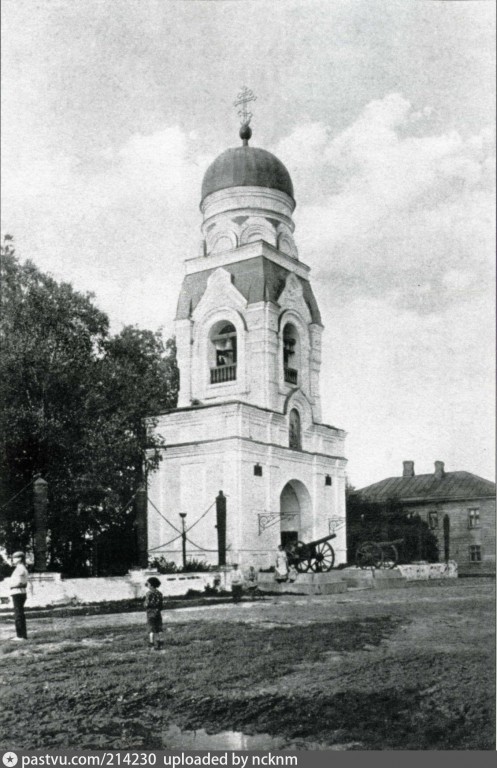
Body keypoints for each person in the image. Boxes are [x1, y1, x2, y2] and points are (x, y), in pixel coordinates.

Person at [9, 551, 28, 641]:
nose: (13, 559)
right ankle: (22, 635)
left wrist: (12, 585)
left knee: (18, 614)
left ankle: (20, 636)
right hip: (19, 592)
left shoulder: (20, 568)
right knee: (20, 613)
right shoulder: (20, 568)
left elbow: (20, 582)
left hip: (18, 592)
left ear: (20, 559)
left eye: (15, 558)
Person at [144, 576, 164, 650]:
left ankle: (151, 643)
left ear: (151, 585)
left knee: (151, 628)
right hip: (158, 612)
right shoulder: (159, 593)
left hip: (150, 613)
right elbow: (161, 605)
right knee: (158, 628)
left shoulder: (149, 593)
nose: (147, 585)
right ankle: (159, 643)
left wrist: (146, 606)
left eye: (148, 584)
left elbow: (146, 604)